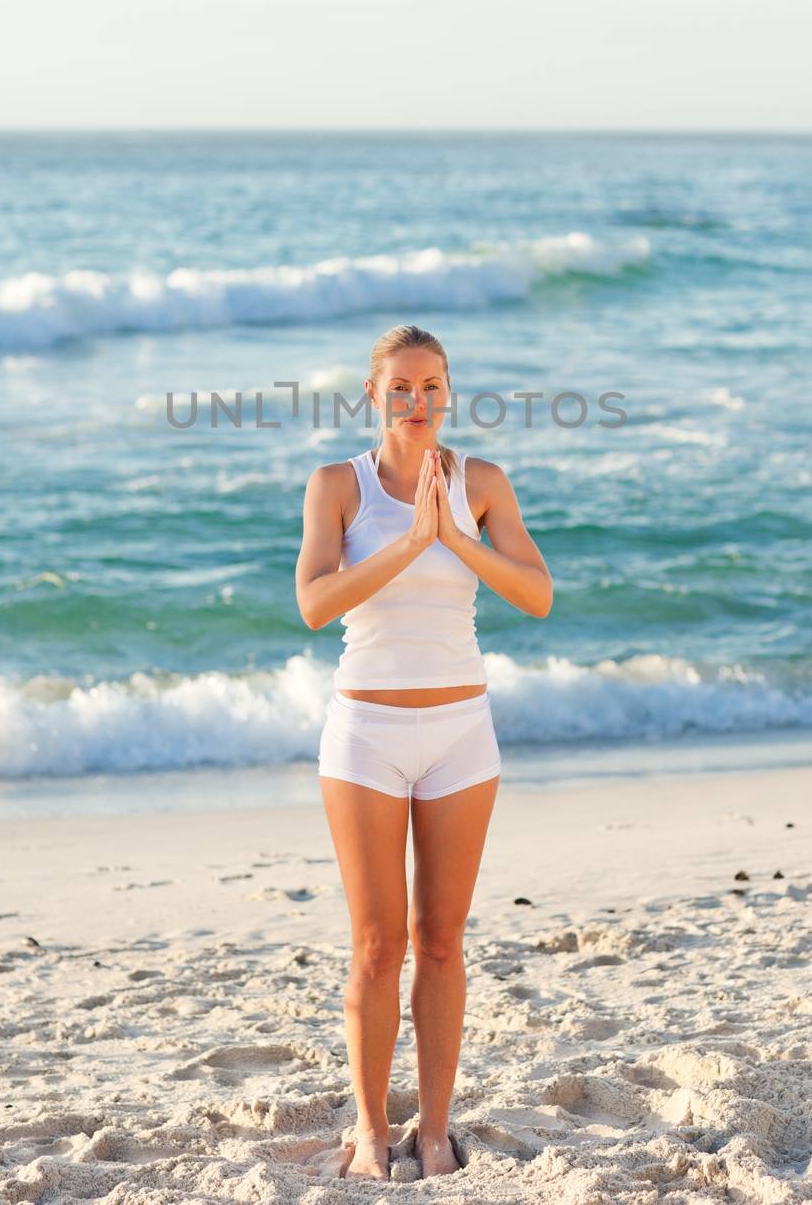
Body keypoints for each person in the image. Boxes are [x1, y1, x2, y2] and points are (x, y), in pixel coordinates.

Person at [295, 323, 552, 1180]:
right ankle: (370, 1132)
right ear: (371, 395)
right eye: (399, 387)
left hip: (459, 735)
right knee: (377, 945)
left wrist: (455, 538)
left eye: (431, 386)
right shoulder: (338, 485)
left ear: (449, 392)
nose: (416, 402)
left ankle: (434, 1130)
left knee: (440, 941)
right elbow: (314, 604)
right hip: (364, 732)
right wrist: (408, 543)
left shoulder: (480, 483)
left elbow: (537, 594)